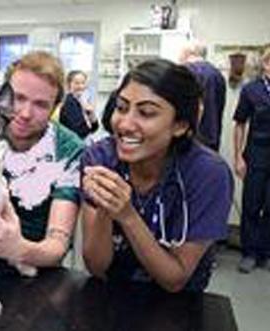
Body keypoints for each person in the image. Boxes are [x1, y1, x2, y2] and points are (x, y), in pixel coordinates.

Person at [81, 59, 233, 292]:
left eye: (146, 112)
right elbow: (96, 267)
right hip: (114, 292)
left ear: (180, 125)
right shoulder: (101, 158)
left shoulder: (208, 174)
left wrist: (127, 216)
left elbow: (175, 280)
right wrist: (106, 206)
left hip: (179, 303)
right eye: (121, 108)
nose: (125, 124)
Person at [0, 51, 84, 274]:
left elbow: (57, 246)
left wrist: (17, 249)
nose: (25, 113)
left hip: (35, 270)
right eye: (19, 98)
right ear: (4, 97)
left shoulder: (68, 149)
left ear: (55, 108)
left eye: (41, 105)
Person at [233, 48, 270, 273]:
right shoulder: (251, 90)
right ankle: (249, 253)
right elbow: (240, 124)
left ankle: (264, 251)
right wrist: (238, 157)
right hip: (257, 153)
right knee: (252, 204)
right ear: (266, 65)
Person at [179, 40, 226, 152]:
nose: (179, 58)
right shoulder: (217, 74)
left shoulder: (186, 72)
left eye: (180, 53)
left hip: (190, 140)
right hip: (212, 138)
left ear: (188, 53)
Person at [59, 70, 99, 140]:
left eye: (83, 83)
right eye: (76, 83)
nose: (81, 86)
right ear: (69, 84)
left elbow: (95, 127)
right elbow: (78, 131)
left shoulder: (82, 102)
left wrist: (91, 114)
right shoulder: (69, 103)